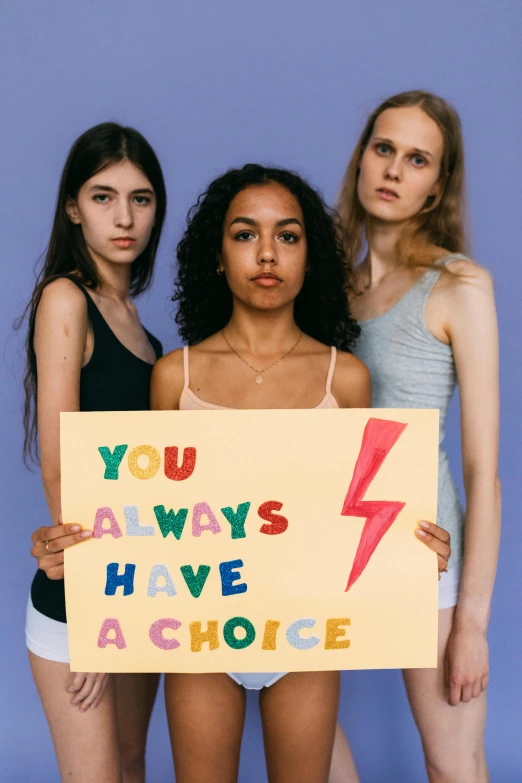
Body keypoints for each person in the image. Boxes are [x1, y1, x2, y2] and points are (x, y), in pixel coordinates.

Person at [150, 163, 451, 783]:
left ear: (310, 258)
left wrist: (409, 544)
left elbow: (357, 512)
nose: (266, 253)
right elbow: (151, 514)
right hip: (197, 634)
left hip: (306, 634)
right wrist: (86, 546)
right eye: (244, 234)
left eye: (288, 236)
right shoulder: (173, 377)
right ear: (217, 255)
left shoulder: (344, 378)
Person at [332, 90, 500, 783]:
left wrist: (472, 622)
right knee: (302, 742)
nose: (394, 169)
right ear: (362, 158)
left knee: (452, 761)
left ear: (439, 181)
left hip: (424, 552)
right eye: (383, 148)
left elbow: (483, 468)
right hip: (329, 542)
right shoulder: (327, 290)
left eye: (417, 158)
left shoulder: (459, 286)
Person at [23, 122, 167, 783]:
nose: (124, 216)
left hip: (141, 587)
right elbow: (62, 462)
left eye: (140, 198)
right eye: (103, 196)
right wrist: (96, 612)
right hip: (83, 595)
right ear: (72, 207)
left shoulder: (143, 330)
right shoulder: (65, 298)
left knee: (134, 764)